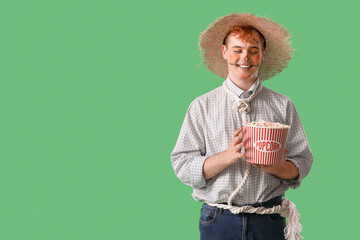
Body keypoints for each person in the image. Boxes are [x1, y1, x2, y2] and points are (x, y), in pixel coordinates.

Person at [170, 13, 313, 240]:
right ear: (225, 52)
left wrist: (274, 166)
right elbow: (182, 165)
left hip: (269, 217)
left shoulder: (283, 105)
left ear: (262, 55)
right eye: (237, 49)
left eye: (253, 50)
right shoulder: (201, 106)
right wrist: (226, 157)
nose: (244, 57)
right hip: (218, 219)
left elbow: (303, 161)